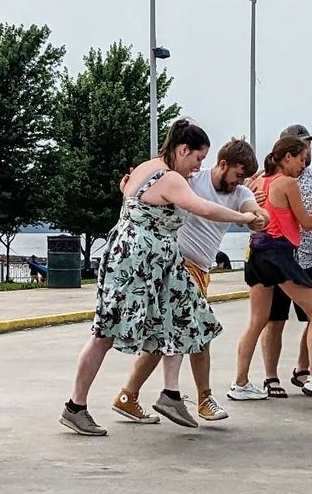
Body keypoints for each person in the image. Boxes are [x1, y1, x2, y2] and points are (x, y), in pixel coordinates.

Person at [60, 119, 260, 437]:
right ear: (182, 150)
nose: (198, 167)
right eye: (197, 158)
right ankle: (76, 407)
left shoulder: (146, 168)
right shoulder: (171, 179)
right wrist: (243, 217)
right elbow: (204, 209)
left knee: (186, 314)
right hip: (136, 261)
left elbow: (129, 191)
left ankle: (170, 394)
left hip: (156, 261)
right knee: (105, 333)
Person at [110, 137, 266, 427]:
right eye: (236, 174)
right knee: (198, 332)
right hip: (178, 263)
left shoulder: (240, 191)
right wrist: (131, 189)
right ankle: (200, 398)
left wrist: (259, 215)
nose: (237, 182)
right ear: (223, 164)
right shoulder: (192, 181)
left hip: (201, 270)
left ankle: (128, 395)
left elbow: (256, 210)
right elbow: (160, 191)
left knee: (166, 339)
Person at [229, 135, 312, 403]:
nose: (302, 166)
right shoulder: (287, 183)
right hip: (278, 254)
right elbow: (307, 223)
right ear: (287, 157)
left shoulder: (259, 181)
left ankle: (240, 383)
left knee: (257, 321)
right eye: (301, 160)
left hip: (255, 254)